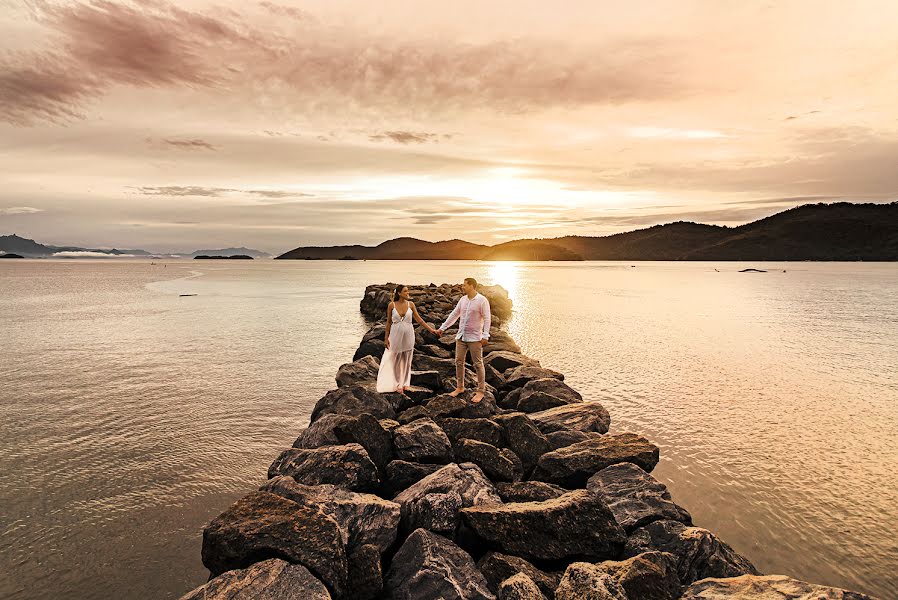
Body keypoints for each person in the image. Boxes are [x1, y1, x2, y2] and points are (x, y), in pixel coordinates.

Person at [436, 277, 491, 404]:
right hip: (461, 336)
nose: (462, 287)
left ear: (472, 286)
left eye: (465, 285)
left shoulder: (482, 300)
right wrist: (442, 328)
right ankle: (460, 387)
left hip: (475, 337)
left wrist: (485, 335)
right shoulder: (463, 299)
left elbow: (487, 319)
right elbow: (454, 315)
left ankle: (481, 391)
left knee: (478, 364)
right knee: (458, 361)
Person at [376, 284, 438, 394]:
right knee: (395, 360)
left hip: (409, 335)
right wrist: (386, 339)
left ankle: (405, 384)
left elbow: (420, 320)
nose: (407, 293)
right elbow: (388, 323)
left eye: (408, 291)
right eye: (405, 291)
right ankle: (397, 384)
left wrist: (431, 330)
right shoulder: (392, 305)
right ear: (399, 293)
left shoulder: (411, 304)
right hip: (395, 336)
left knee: (407, 359)